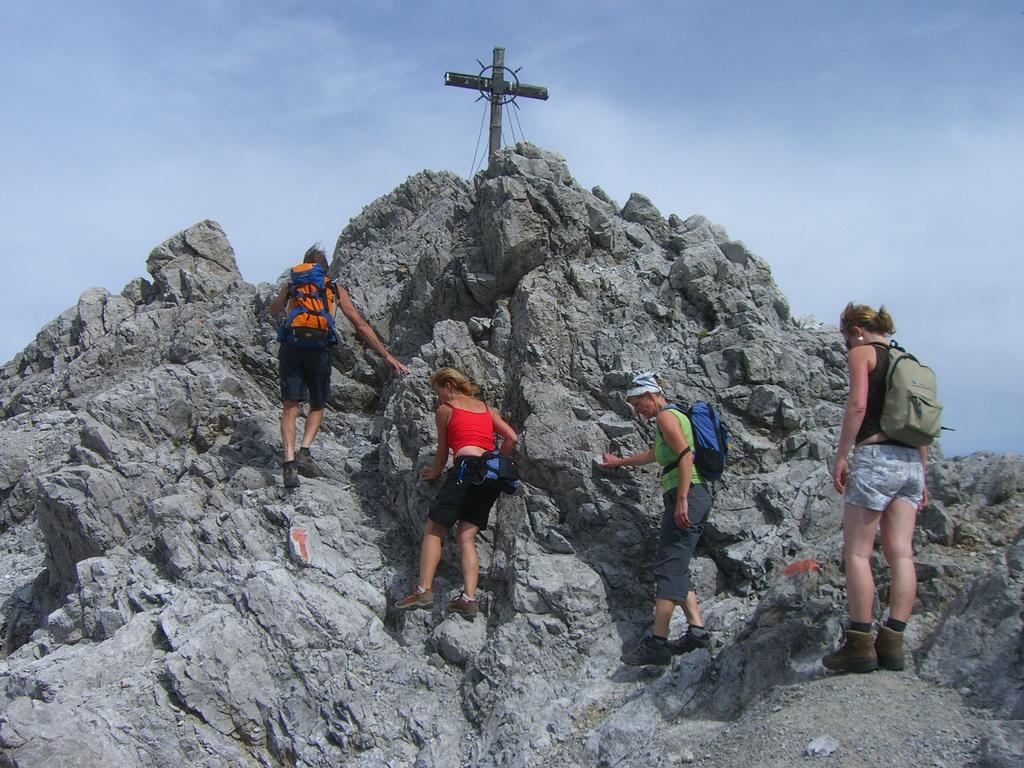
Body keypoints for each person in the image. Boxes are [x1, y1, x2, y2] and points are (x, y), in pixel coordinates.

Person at [823, 303, 928, 673]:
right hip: (910, 462)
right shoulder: (908, 361)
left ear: (856, 330)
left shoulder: (862, 353)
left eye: (845, 336)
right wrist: (923, 471)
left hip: (875, 457)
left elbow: (857, 405)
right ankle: (894, 641)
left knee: (858, 553)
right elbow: (919, 422)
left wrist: (841, 455)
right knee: (902, 554)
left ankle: (860, 643)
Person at [268, 243, 409, 488]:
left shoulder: (293, 286)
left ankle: (289, 462)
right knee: (318, 403)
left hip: (292, 349)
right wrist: (386, 355)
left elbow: (273, 310)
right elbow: (360, 325)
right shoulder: (333, 288)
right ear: (325, 269)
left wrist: (287, 293)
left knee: (290, 406)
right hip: (319, 350)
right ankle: (305, 450)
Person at [599, 372, 713, 666]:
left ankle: (658, 643)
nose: (638, 411)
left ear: (651, 395)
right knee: (676, 563)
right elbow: (655, 454)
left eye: (639, 404)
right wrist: (619, 463)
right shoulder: (670, 418)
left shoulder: (666, 417)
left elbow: (686, 456)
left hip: (686, 495)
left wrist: (683, 500)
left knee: (667, 567)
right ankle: (697, 632)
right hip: (685, 495)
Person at [394, 367, 518, 618]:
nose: (437, 399)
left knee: (434, 529)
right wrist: (494, 462)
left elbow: (442, 451)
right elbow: (511, 438)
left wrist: (435, 472)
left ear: (449, 386)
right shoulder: (486, 408)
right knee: (466, 536)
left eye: (438, 392)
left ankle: (423, 589)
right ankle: (469, 598)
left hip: (465, 471)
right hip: (491, 477)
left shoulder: (446, 410)